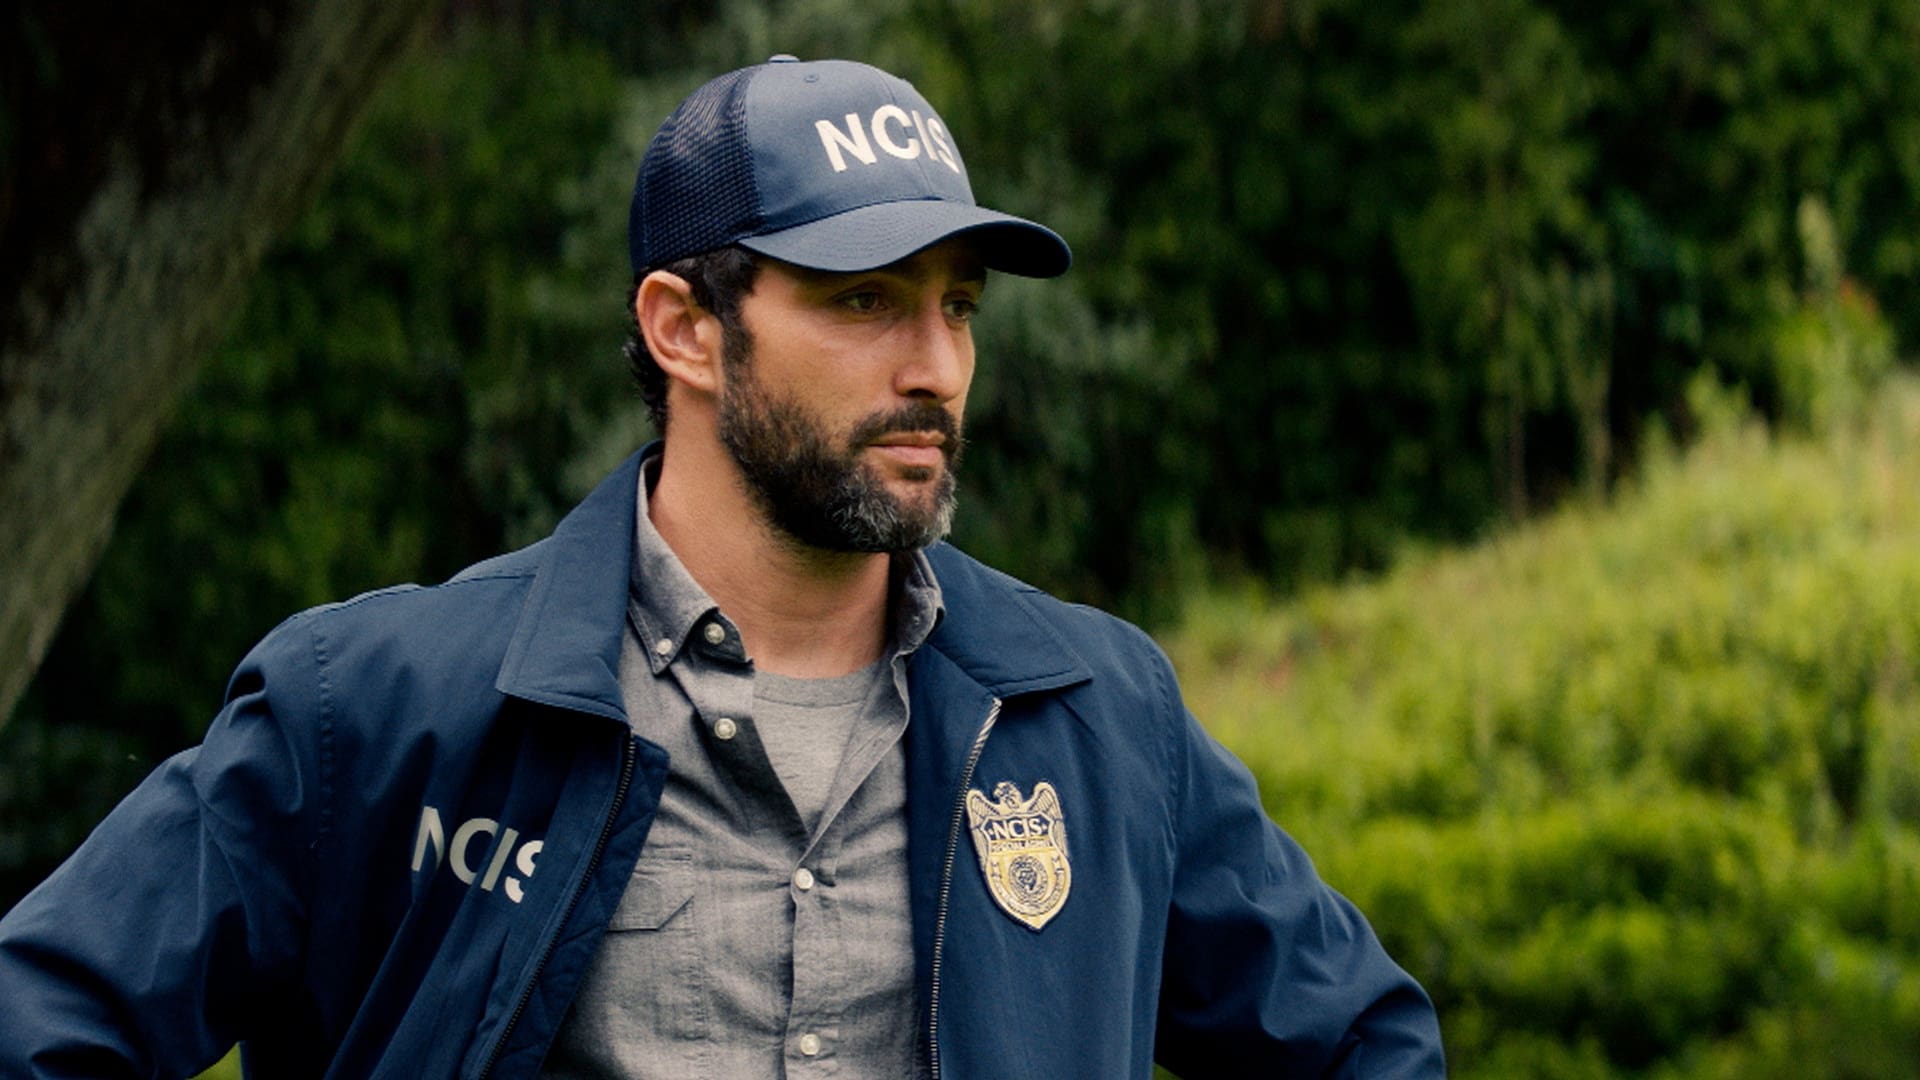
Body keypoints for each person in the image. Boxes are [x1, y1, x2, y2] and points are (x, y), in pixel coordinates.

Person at [0, 56, 1443, 1078]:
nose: (937, 366)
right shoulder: (373, 707)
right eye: (864, 301)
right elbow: (40, 1021)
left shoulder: (1101, 716)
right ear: (685, 330)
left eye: (957, 307)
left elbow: (1368, 1047)